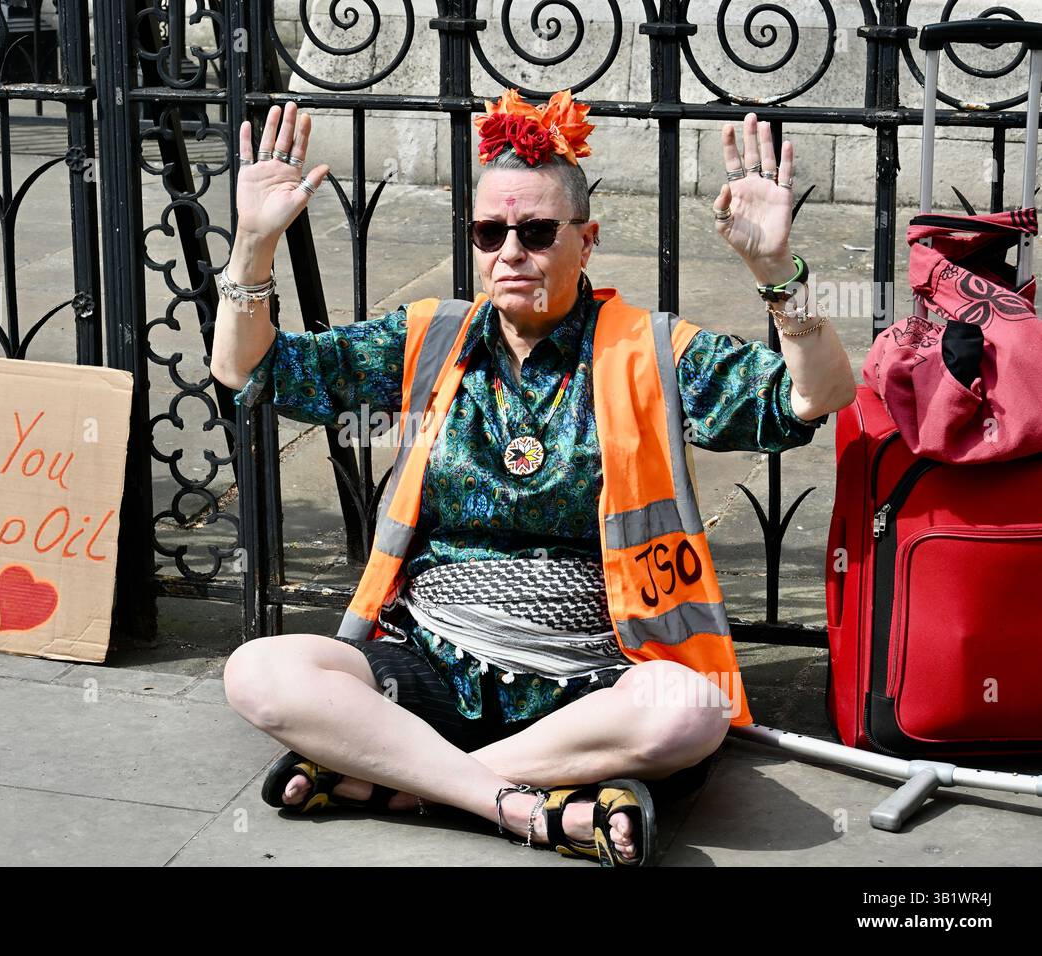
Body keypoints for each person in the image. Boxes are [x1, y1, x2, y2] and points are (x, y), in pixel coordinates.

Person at [209, 89, 856, 865]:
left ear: (587, 241)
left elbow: (813, 396)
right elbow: (249, 369)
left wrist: (778, 269)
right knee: (260, 671)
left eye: (537, 231)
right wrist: (252, 245)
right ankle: (533, 804)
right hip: (433, 667)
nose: (510, 252)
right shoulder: (428, 336)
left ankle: (407, 779)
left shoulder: (650, 349)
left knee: (690, 711)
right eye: (491, 232)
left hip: (597, 680)